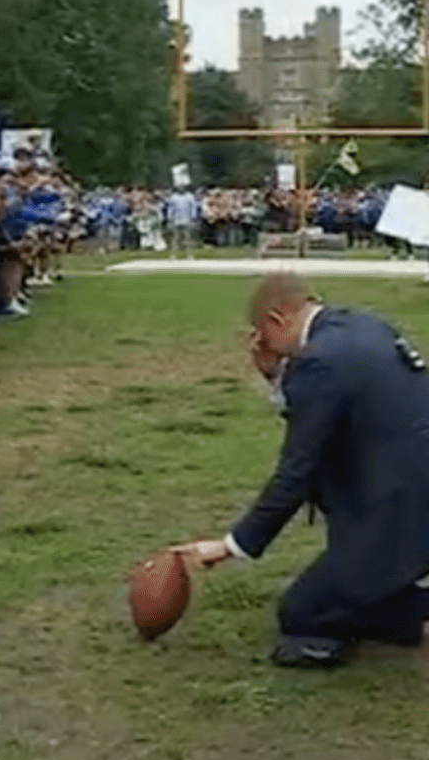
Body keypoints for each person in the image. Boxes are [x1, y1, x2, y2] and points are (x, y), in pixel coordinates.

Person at [177, 273, 429, 669]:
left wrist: (232, 545)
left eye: (263, 335)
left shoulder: (319, 361)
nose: (267, 347)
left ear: (276, 320)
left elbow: (297, 470)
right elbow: (324, 421)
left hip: (397, 506)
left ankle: (408, 606)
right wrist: (274, 376)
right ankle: (400, 591)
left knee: (303, 614)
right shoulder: (363, 324)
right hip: (404, 485)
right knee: (350, 585)